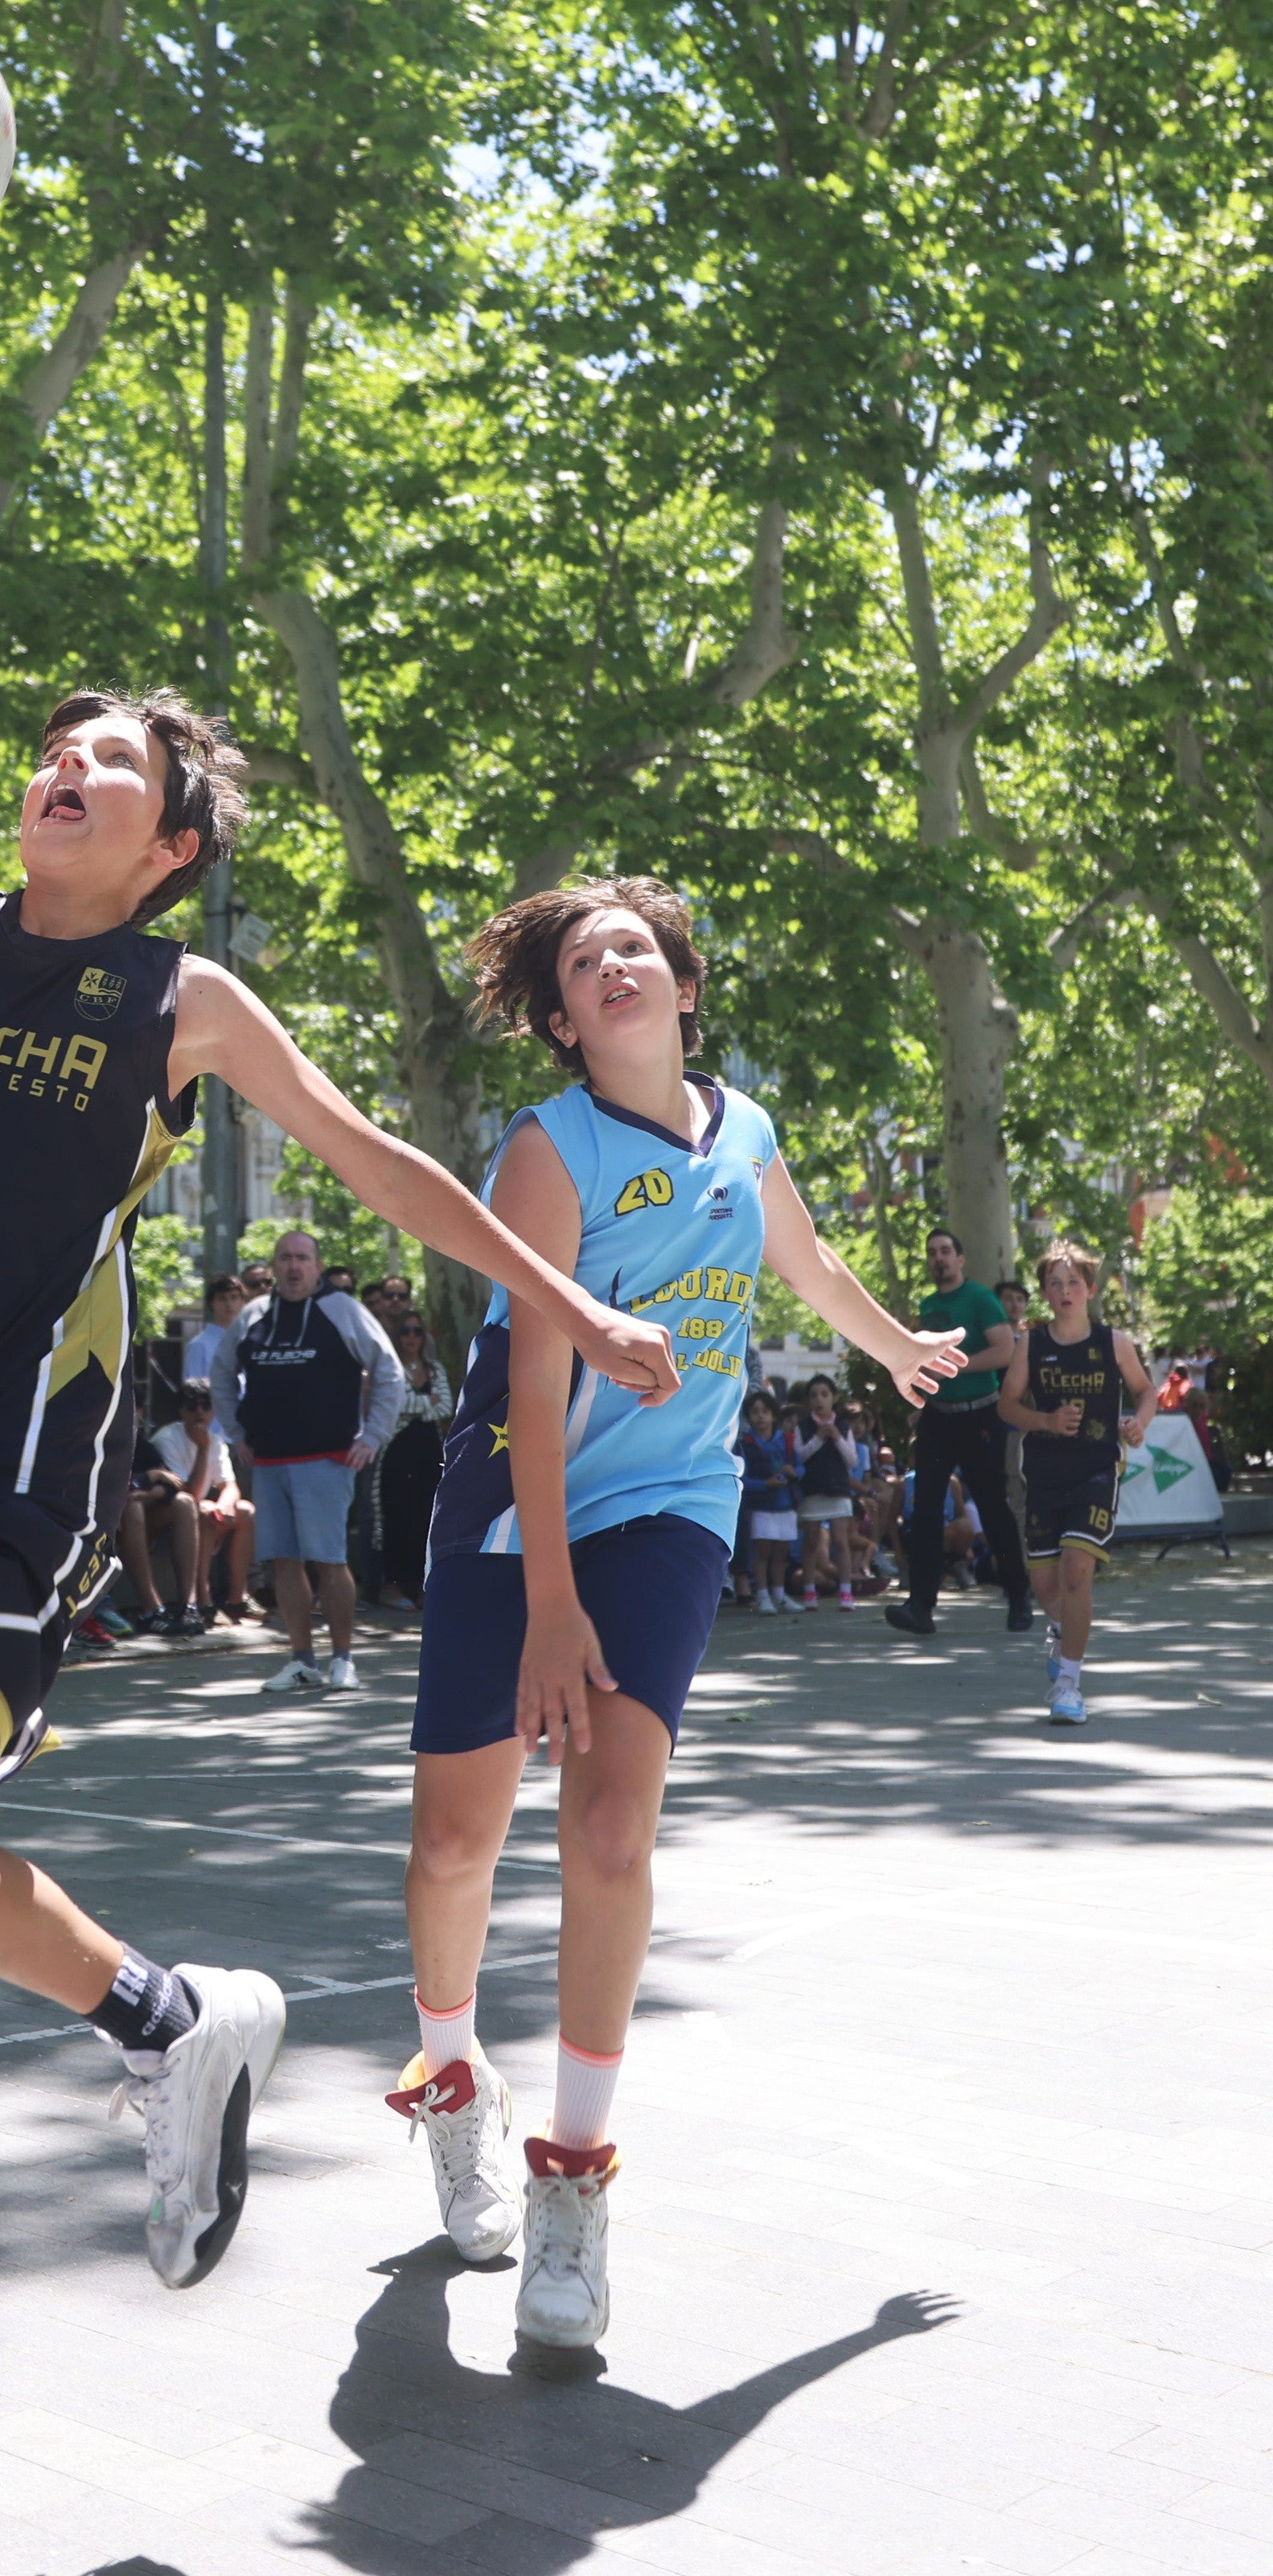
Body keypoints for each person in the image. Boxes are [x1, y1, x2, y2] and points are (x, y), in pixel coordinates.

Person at [0, 264, 683, 2488]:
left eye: (101, 762)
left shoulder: (178, 999)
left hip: (23, 1442)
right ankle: (164, 2015)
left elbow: (378, 1161)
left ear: (166, 843)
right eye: (51, 745)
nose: (57, 765)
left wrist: (564, 1299)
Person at [391, 879, 962, 2349]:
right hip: (516, 1512)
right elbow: (529, 1390)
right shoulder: (546, 1148)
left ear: (681, 987)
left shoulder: (746, 1129)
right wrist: (545, 1608)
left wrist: (895, 1346)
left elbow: (806, 1263)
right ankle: (450, 2079)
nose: (612, 965)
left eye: (633, 947)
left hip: (670, 1506)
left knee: (606, 1829)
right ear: (565, 1018)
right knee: (458, 1841)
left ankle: (572, 2181)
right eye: (584, 962)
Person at [209, 1232, 400, 1696]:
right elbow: (220, 1373)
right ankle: (301, 1660)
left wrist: (372, 1437)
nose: (293, 1267)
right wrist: (236, 1434)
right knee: (283, 1563)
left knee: (330, 1560)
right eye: (285, 1259)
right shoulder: (255, 1314)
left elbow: (389, 1371)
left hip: (327, 1459)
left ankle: (343, 1660)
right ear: (273, 1267)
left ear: (317, 1265)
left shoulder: (344, 1311)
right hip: (270, 1460)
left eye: (302, 1258)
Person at [998, 1239, 1150, 1728]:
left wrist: (1138, 1422)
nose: (1065, 1291)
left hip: (1096, 1470)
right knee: (1045, 1584)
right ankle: (1062, 1626)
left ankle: (1068, 1684)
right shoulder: (1031, 1346)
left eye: (1073, 1282)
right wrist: (1044, 1421)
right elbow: (1006, 1407)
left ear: (1089, 1288)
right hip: (1043, 1474)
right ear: (1045, 1292)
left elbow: (1147, 1391)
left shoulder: (1114, 1343)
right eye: (1055, 1283)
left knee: (1077, 1571)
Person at [886, 1229, 1029, 1639]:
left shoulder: (980, 1299)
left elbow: (1004, 1351)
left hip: (980, 1416)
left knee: (994, 1507)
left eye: (946, 1251)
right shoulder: (928, 1305)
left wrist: (955, 1367)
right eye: (932, 1253)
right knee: (926, 1510)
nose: (939, 1259)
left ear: (961, 1259)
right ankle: (921, 1606)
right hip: (938, 1417)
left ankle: (1019, 1597)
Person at [153, 1380, 253, 1618]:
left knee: (246, 1510)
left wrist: (224, 1505)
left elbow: (229, 1485)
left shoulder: (216, 1441)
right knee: (204, 1509)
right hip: (170, 1514)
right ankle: (203, 1599)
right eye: (192, 1405)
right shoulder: (167, 1438)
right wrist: (203, 1449)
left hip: (199, 1509)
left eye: (206, 1405)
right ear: (181, 1410)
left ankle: (237, 1599)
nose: (199, 1412)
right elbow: (189, 1494)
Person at [375, 1311, 454, 1610]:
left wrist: (420, 1407)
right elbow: (394, 1405)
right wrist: (426, 1402)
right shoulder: (389, 1367)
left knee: (427, 1517)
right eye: (405, 1331)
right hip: (396, 1451)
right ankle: (392, 1586)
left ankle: (424, 1588)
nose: (411, 1337)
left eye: (417, 1331)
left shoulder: (434, 1369)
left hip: (429, 1452)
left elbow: (446, 1404)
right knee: (397, 1518)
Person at [117, 1417, 203, 1632]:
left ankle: (188, 1607)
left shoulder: (141, 1446)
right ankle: (151, 1610)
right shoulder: (100, 1442)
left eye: (134, 1409)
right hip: (107, 1529)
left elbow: (173, 1485)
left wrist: (150, 1491)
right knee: (131, 1505)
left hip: (142, 1525)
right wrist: (150, 1476)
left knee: (185, 1503)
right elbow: (119, 1488)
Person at [786, 1376, 862, 1610]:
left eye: (824, 1394)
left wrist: (837, 1438)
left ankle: (846, 1591)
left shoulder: (843, 1426)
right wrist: (819, 1438)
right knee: (811, 1542)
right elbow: (801, 1455)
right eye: (814, 1395)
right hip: (813, 1489)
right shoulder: (804, 1427)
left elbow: (851, 1460)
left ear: (834, 1397)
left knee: (840, 1541)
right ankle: (810, 1591)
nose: (819, 1400)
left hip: (838, 1489)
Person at [735, 1389, 797, 1613]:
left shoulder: (787, 1440)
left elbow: (801, 1467)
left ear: (773, 1415)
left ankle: (779, 1594)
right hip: (760, 1506)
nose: (760, 1416)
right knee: (762, 1553)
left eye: (765, 1411)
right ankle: (762, 1595)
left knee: (781, 1553)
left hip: (785, 1504)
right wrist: (764, 1485)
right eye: (754, 1412)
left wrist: (794, 1472)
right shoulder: (746, 1444)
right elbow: (743, 1478)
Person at [179, 1274, 246, 1394]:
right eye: (222, 1298)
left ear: (242, 1301)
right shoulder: (199, 1345)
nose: (229, 1304)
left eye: (234, 1297)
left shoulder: (249, 1340)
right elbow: (194, 1392)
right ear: (211, 1303)